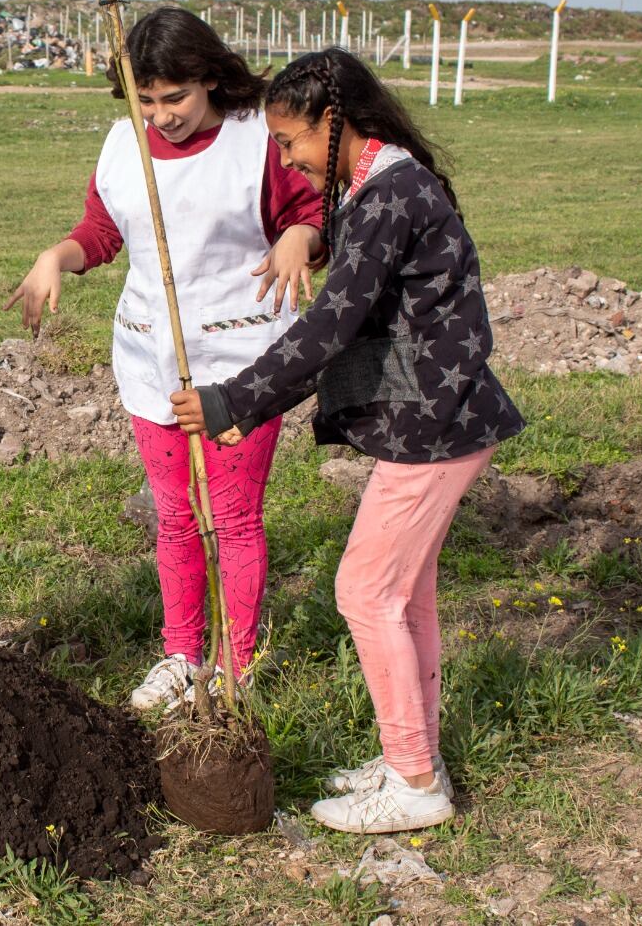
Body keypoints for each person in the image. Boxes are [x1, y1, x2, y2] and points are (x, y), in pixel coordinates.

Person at [169, 48, 525, 834]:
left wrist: (234, 399)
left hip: (438, 425)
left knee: (363, 592)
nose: (289, 158)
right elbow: (354, 282)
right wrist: (309, 240)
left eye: (292, 142)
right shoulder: (380, 185)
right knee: (406, 596)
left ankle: (414, 784)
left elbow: (331, 327)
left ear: (337, 124)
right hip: (438, 417)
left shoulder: (392, 192)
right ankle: (413, 757)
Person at [6, 6, 324, 710]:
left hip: (243, 360)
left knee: (234, 518)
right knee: (176, 516)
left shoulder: (254, 140)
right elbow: (101, 229)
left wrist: (300, 237)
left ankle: (235, 666)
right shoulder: (125, 144)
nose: (163, 115)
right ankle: (181, 654)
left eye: (175, 97)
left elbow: (309, 213)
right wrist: (55, 258)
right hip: (149, 357)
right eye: (146, 101)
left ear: (210, 78)